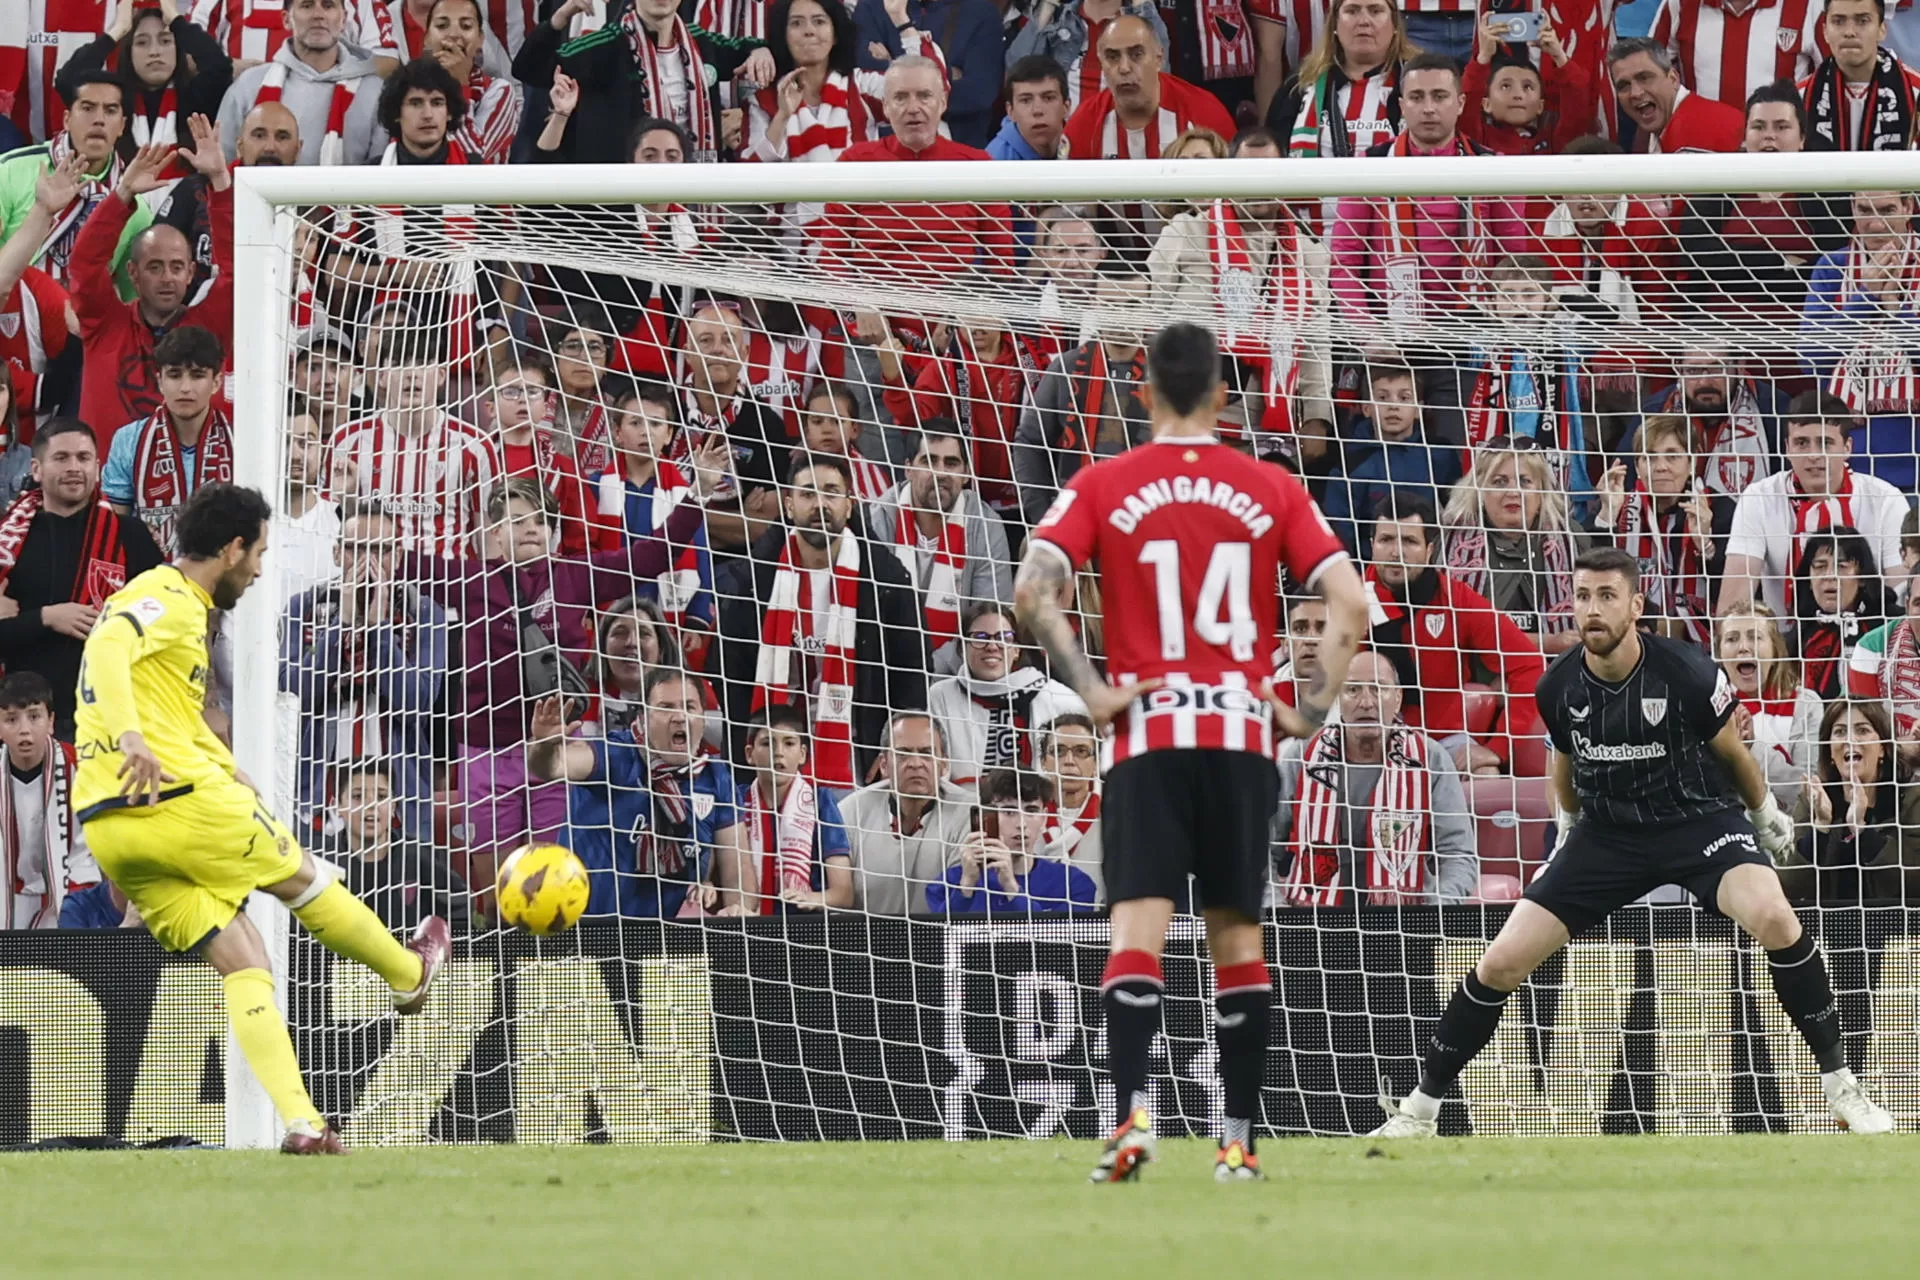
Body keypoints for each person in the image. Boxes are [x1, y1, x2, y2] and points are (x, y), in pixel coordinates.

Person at [1370, 546, 1894, 1138]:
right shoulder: (1558, 685)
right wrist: (1566, 824)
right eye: (1583, 596)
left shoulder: (1689, 671)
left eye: (1606, 596)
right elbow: (1563, 764)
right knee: (1502, 960)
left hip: (1697, 823)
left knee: (1775, 916)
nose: (1591, 610)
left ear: (1636, 605)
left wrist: (1764, 810)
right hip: (1608, 836)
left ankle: (1843, 1087)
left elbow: (1731, 751)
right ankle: (1420, 1109)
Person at [1014, 320, 1369, 1182]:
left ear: (1142, 394)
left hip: (1151, 735)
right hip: (1240, 735)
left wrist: (1092, 691)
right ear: (1221, 396)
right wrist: (1308, 709)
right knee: (1236, 940)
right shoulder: (1272, 486)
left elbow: (1031, 588)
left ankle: (1130, 1125)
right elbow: (1351, 607)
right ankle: (1237, 1144)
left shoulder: (1103, 482)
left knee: (1139, 929)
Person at [75, 483, 452, 1154]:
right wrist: (132, 737)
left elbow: (167, 704)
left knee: (243, 960)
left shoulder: (177, 613)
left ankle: (303, 1125)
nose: (256, 570)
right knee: (301, 876)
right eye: (256, 555)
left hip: (113, 828)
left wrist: (222, 763)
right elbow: (107, 646)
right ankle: (406, 972)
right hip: (174, 803)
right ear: (231, 548)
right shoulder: (163, 598)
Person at [713, 454, 928, 788]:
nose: (820, 504)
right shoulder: (752, 582)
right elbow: (732, 677)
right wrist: (743, 759)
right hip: (776, 757)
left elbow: (912, 675)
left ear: (849, 505)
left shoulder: (887, 583)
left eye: (831, 492)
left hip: (857, 753)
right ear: (788, 505)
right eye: (808, 494)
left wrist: (892, 749)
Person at [1145, 126, 1335, 463]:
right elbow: (1149, 322)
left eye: (1268, 173)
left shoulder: (1309, 254)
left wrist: (1318, 417)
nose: (1258, 185)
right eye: (1248, 173)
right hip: (1189, 419)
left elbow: (1316, 343)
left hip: (1271, 430)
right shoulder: (1185, 233)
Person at [280, 503, 448, 839]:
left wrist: (378, 629)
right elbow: (296, 696)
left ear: (398, 557)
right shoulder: (304, 608)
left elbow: (417, 704)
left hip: (401, 805)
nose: (369, 561)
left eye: (381, 550)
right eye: (358, 548)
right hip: (320, 801)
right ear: (337, 553)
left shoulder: (424, 612)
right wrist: (341, 625)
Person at [1329, 55, 1528, 327]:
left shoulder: (1494, 168)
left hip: (1477, 336)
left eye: (1439, 96)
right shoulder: (1368, 166)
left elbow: (1514, 262)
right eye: (1417, 97)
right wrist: (1368, 333)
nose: (1428, 108)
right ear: (1401, 105)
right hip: (1391, 339)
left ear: (1460, 104)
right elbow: (1344, 260)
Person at [529, 673, 750, 919]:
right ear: (643, 718)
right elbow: (554, 766)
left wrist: (738, 909)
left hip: (663, 942)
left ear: (702, 718)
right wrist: (544, 746)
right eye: (665, 708)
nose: (679, 716)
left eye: (689, 707)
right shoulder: (616, 753)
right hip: (587, 930)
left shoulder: (716, 778)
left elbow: (738, 879)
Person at [70, 124, 232, 453]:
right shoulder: (103, 323)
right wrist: (122, 195)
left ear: (191, 273)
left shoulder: (211, 326)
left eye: (176, 267)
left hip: (192, 490)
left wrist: (221, 183)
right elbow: (85, 264)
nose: (167, 278)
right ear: (132, 273)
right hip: (108, 492)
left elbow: (238, 270)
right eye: (154, 267)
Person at [0, 419, 165, 739]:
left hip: (110, 721)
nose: (74, 467)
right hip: (22, 724)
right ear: (36, 469)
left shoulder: (131, 536)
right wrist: (46, 618)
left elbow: (163, 622)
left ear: (98, 467)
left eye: (83, 457)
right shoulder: (8, 543)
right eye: (61, 458)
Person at [1275, 650, 1478, 905]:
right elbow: (1259, 850)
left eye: (1378, 689)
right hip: (1311, 921)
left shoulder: (1431, 758)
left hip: (1407, 925)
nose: (1366, 702)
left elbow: (1458, 854)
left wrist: (1434, 914)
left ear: (1398, 698)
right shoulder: (1301, 757)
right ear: (1338, 697)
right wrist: (1276, 913)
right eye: (1353, 690)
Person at [1368, 492, 1546, 776]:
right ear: (1372, 546)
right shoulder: (1351, 601)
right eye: (1386, 540)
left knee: (1487, 774)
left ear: (1429, 550)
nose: (1396, 552)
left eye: (1409, 541)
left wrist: (1496, 747)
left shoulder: (1456, 599)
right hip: (1367, 744)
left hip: (1442, 744)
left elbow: (1528, 665)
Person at [746, 0, 945, 242]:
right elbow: (750, 180)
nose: (809, 30)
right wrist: (783, 116)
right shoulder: (765, 99)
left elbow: (933, 87)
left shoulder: (860, 86)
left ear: (836, 34)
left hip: (862, 242)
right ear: (783, 35)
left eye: (819, 21)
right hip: (791, 253)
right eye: (796, 23)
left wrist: (901, 20)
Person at [812, 57, 1012, 288]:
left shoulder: (978, 166)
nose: (913, 108)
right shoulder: (855, 163)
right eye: (900, 97)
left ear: (943, 102)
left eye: (924, 96)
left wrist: (967, 315)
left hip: (954, 313)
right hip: (872, 313)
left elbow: (1001, 263)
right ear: (885, 106)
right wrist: (859, 307)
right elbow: (832, 255)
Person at [1719, 392, 1909, 622]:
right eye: (1802, 443)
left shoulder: (1886, 499)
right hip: (1785, 645)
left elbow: (1903, 594)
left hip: (1872, 643)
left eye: (1825, 442)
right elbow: (1734, 602)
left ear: (1847, 447)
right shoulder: (1759, 498)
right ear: (1787, 448)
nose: (1814, 455)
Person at [510, 0, 773, 164]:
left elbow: (747, 49)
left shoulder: (702, 43)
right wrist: (562, 15)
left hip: (693, 197)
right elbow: (528, 68)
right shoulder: (603, 47)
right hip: (623, 207)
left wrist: (759, 50)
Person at [1059, 16, 1235, 256]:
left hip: (1199, 261)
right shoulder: (1085, 125)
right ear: (1101, 64)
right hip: (1117, 266)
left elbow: (1236, 207)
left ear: (1159, 59)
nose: (1124, 67)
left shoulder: (1204, 112)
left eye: (1136, 54)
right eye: (1112, 57)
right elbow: (1069, 218)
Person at [326, 328, 504, 560]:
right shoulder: (347, 441)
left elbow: (490, 539)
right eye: (400, 363)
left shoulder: (475, 446)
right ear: (382, 376)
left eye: (422, 363)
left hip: (449, 585)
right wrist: (348, 497)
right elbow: (328, 527)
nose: (412, 374)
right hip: (371, 577)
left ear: (441, 375)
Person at [1673, 85, 1847, 322]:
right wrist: (1780, 262)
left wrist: (1733, 264)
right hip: (1717, 340)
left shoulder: (1827, 199)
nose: (1769, 135)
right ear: (1744, 138)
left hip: (1800, 337)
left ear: (1802, 138)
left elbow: (1822, 276)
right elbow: (1698, 258)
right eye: (1758, 126)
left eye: (1782, 126)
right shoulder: (1714, 191)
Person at [867, 422, 1014, 674]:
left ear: (966, 473)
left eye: (951, 463)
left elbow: (988, 622)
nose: (940, 473)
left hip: (959, 674)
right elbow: (872, 611)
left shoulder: (986, 527)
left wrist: (931, 673)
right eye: (929, 461)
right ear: (908, 469)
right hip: (887, 666)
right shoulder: (878, 517)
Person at [1011, 268, 1153, 525]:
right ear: (1093, 304)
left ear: (1150, 308)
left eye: (1132, 306)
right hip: (1077, 518)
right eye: (1110, 305)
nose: (1121, 315)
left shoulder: (1171, 375)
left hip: (1151, 520)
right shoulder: (1066, 369)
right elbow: (1030, 443)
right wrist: (1045, 518)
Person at [1799, 191, 1920, 489]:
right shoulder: (1831, 267)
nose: (1876, 224)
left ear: (1908, 207)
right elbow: (1809, 357)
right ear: (1852, 208)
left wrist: (1893, 304)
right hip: (1846, 465)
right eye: (1865, 210)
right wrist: (1866, 297)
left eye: (1887, 209)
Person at [1443, 443, 1591, 655]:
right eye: (1499, 482)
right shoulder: (1450, 540)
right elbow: (1452, 629)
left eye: (1525, 481)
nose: (1513, 491)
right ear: (1480, 492)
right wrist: (1546, 643)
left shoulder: (1572, 538)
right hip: (1474, 675)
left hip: (1557, 672)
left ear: (1542, 493)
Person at [101, 324, 231, 551]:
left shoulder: (238, 440)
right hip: (150, 578)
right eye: (174, 375)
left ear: (216, 383)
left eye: (197, 376)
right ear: (160, 381)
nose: (185, 388)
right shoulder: (128, 441)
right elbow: (115, 530)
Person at [928, 601, 1085, 787]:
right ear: (962, 648)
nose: (992, 646)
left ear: (1017, 650)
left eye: (1004, 637)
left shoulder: (1058, 698)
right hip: (962, 811)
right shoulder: (941, 695)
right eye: (980, 637)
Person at [1782, 698, 1920, 905]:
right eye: (1839, 732)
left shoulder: (1911, 795)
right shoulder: (1814, 799)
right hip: (1827, 929)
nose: (1850, 740)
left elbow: (1914, 882)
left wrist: (1862, 830)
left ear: (1883, 748)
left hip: (1900, 930)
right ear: (1829, 751)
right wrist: (1820, 828)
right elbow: (1789, 886)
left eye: (1862, 730)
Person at [215, 0, 387, 166]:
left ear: (343, 19)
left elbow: (385, 175)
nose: (318, 15)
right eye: (307, 5)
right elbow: (223, 165)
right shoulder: (248, 85)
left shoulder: (374, 92)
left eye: (328, 5)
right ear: (286, 19)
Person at [838, 709, 976, 915]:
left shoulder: (969, 812)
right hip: (864, 942)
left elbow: (964, 898)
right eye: (903, 753)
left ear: (944, 765)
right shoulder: (850, 811)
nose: (915, 763)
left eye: (926, 753)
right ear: (883, 764)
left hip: (940, 942)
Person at [1595, 414, 1715, 647]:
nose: (1661, 467)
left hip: (1701, 646)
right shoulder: (1621, 507)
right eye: (1649, 457)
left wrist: (1705, 543)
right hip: (1632, 641)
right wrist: (1607, 514)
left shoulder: (1718, 508)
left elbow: (1729, 587)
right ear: (1637, 466)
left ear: (1691, 463)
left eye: (1672, 456)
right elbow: (1595, 575)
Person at [1321, 358, 1458, 558]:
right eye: (1383, 397)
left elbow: (1459, 518)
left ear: (1419, 409)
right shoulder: (1349, 465)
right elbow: (1341, 533)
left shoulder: (1439, 455)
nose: (1393, 406)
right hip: (1370, 574)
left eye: (1404, 398)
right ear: (1366, 408)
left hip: (1431, 566)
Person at [0, 70, 126, 287]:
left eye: (110, 110)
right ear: (67, 119)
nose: (99, 120)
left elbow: (128, 298)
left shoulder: (132, 200)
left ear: (122, 126)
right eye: (88, 108)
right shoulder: (10, 170)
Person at [57, 0, 233, 152]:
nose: (154, 52)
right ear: (129, 53)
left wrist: (175, 20)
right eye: (142, 42)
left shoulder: (196, 97)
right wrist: (118, 30)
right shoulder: (115, 101)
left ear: (178, 49)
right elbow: (67, 80)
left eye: (165, 41)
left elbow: (220, 67)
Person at [317, 758, 470, 933]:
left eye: (381, 796)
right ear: (336, 806)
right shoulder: (321, 863)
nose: (371, 805)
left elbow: (461, 908)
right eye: (357, 796)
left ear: (393, 806)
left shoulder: (418, 856)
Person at [927, 768, 1099, 915]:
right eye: (1009, 812)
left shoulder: (1074, 884)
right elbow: (942, 944)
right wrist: (966, 886)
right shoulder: (947, 884)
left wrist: (1011, 887)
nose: (1021, 824)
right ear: (985, 818)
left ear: (1045, 819)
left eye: (1031, 811)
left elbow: (1056, 948)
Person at [0, 670, 97, 928]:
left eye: (34, 717)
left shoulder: (80, 766)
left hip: (71, 888)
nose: (24, 731)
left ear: (51, 721)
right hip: (7, 891)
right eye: (11, 720)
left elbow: (91, 848)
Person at [738, 705, 853, 913]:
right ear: (749, 754)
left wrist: (812, 898)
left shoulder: (820, 801)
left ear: (802, 755)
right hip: (747, 921)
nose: (778, 753)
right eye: (767, 743)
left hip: (803, 927)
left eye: (788, 743)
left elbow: (843, 893)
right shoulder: (735, 799)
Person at [1268, 0, 1410, 166]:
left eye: (1375, 11)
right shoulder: (1299, 85)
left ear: (1395, 25)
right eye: (1352, 11)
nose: (1364, 21)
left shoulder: (1421, 81)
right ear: (1334, 24)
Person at [0, 161, 78, 456]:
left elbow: (62, 387)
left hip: (25, 460)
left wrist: (43, 211)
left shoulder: (37, 290)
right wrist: (43, 212)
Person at [852, 0, 1003, 147]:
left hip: (960, 152)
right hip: (890, 153)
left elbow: (979, 94)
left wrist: (893, 67)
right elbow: (865, 84)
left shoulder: (981, 11)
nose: (914, 107)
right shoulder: (870, 7)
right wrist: (947, 74)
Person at [1720, 605, 1821, 809]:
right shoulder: (1712, 706)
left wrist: (1751, 747)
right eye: (1731, 639)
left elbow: (1808, 795)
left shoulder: (1806, 704)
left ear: (1775, 648)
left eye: (1754, 637)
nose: (1743, 647)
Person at [1459, 12, 1592, 155]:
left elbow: (1577, 105)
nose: (1518, 95)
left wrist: (1559, 55)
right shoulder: (1475, 140)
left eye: (1528, 87)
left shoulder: (1555, 142)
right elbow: (1466, 103)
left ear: (1541, 105)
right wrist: (1483, 57)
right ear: (1486, 103)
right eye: (1505, 86)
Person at [1649, 0, 1820, 111]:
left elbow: (1832, 76)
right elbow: (1647, 70)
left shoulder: (1808, 5)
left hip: (1779, 149)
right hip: (1700, 144)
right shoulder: (1680, 4)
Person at [1798, 0, 1920, 152]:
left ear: (1882, 29)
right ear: (1825, 31)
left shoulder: (1916, 93)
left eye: (1862, 21)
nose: (1849, 32)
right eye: (1838, 21)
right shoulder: (1798, 98)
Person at [1792, 527, 1897, 702]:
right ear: (1807, 580)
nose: (1829, 576)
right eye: (1819, 566)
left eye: (1842, 566)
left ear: (1862, 577)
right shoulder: (1797, 640)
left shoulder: (1891, 626)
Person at [1607, 36, 1743, 153]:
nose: (1635, 93)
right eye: (1623, 86)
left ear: (1673, 78)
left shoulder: (1699, 137)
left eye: (1644, 78)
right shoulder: (1659, 130)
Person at [584, 593, 682, 739]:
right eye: (620, 633)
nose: (632, 642)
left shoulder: (691, 693)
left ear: (661, 649)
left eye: (644, 634)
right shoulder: (579, 697)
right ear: (602, 647)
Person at [1849, 583, 1920, 764]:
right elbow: (1861, 735)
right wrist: (1903, 745)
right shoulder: (1871, 647)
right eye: (1919, 603)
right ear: (1907, 605)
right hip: (1891, 768)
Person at [1036, 711, 1104, 897]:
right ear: (1043, 762)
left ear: (1097, 764)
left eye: (1081, 751)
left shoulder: (1116, 817)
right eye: (1058, 751)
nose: (1069, 761)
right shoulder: (1025, 816)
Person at [989, 54, 1072, 160]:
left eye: (1048, 98)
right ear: (1010, 111)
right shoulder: (994, 161)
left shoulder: (1088, 144)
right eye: (1025, 100)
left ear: (1066, 106)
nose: (1037, 110)